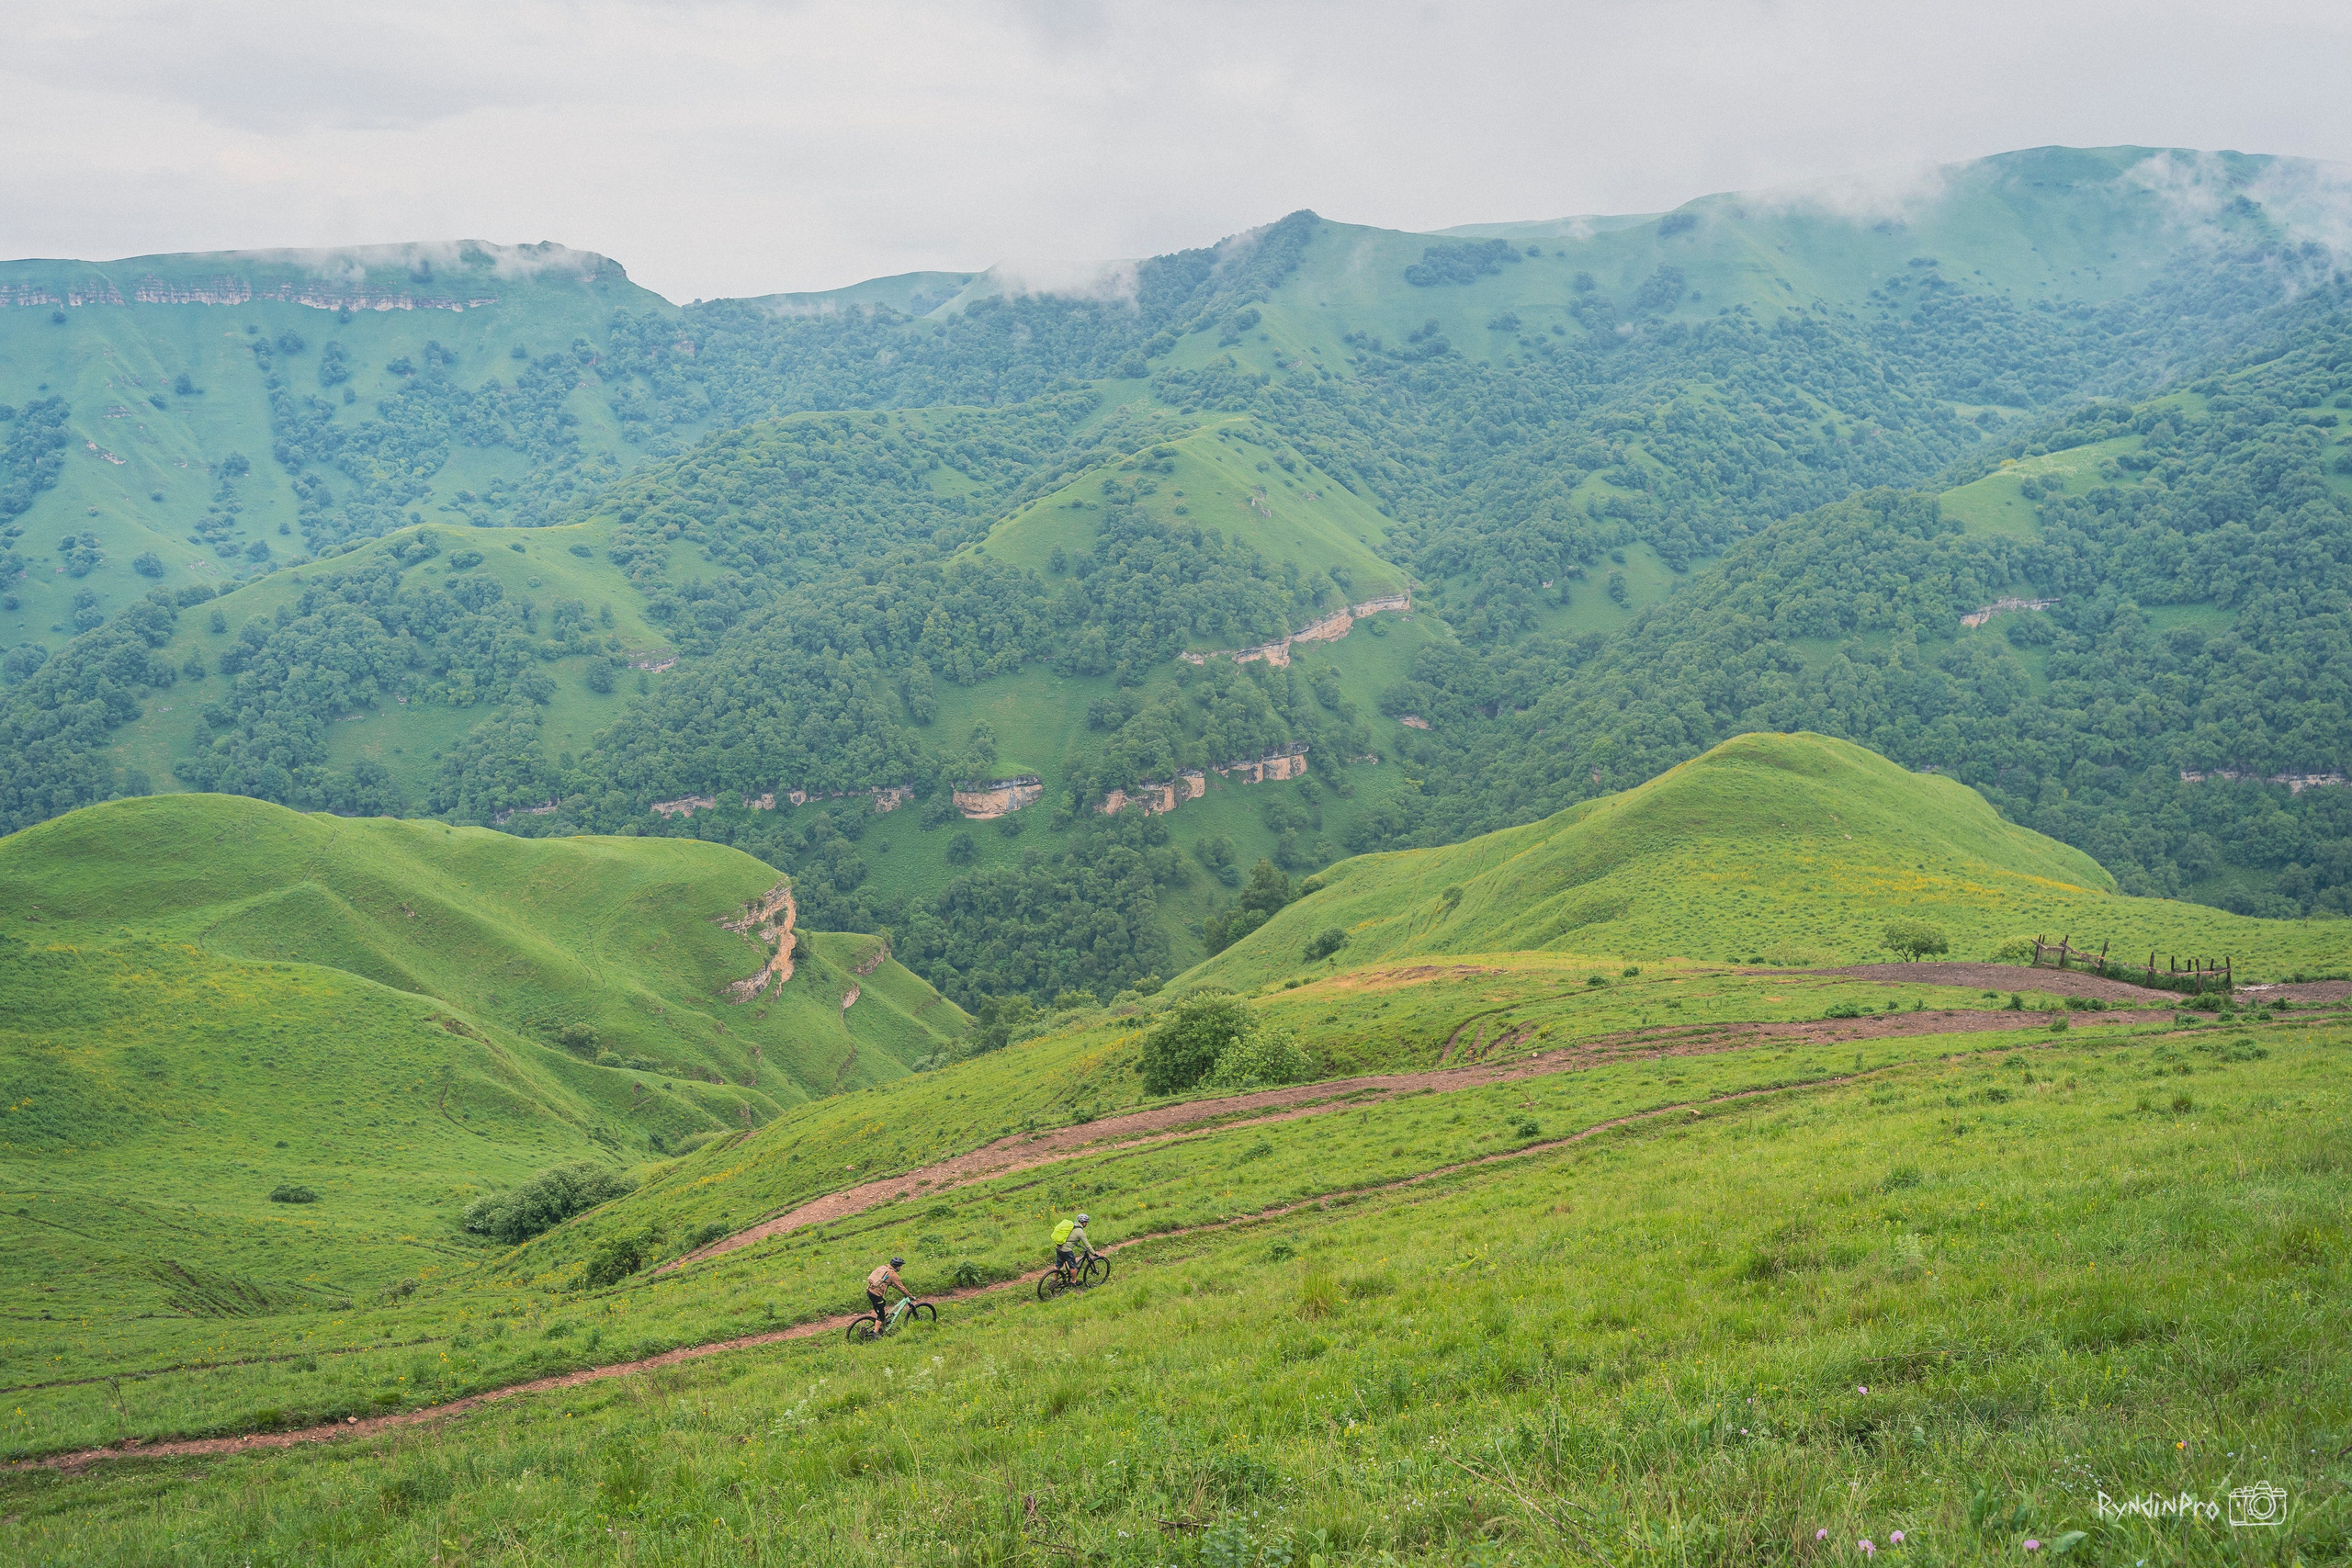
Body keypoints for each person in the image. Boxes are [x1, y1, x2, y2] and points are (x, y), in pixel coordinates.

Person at [865, 1255, 910, 1323]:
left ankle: (881, 1319)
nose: (901, 1268)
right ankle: (876, 1332)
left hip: (869, 1290)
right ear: (897, 1267)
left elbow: (884, 1280)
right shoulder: (893, 1274)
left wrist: (893, 1285)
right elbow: (902, 1288)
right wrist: (910, 1296)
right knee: (881, 1316)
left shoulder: (883, 1268)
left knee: (882, 1304)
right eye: (900, 1266)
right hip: (876, 1294)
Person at [1051, 1213, 1092, 1279]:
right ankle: (1074, 1282)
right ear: (1084, 1223)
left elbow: (1070, 1238)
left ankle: (1054, 1281)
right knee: (1073, 1267)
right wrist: (1094, 1253)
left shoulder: (1072, 1226)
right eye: (1086, 1222)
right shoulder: (1080, 1232)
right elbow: (1087, 1245)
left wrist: (1076, 1244)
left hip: (1059, 1247)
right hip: (1066, 1250)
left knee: (1058, 1266)